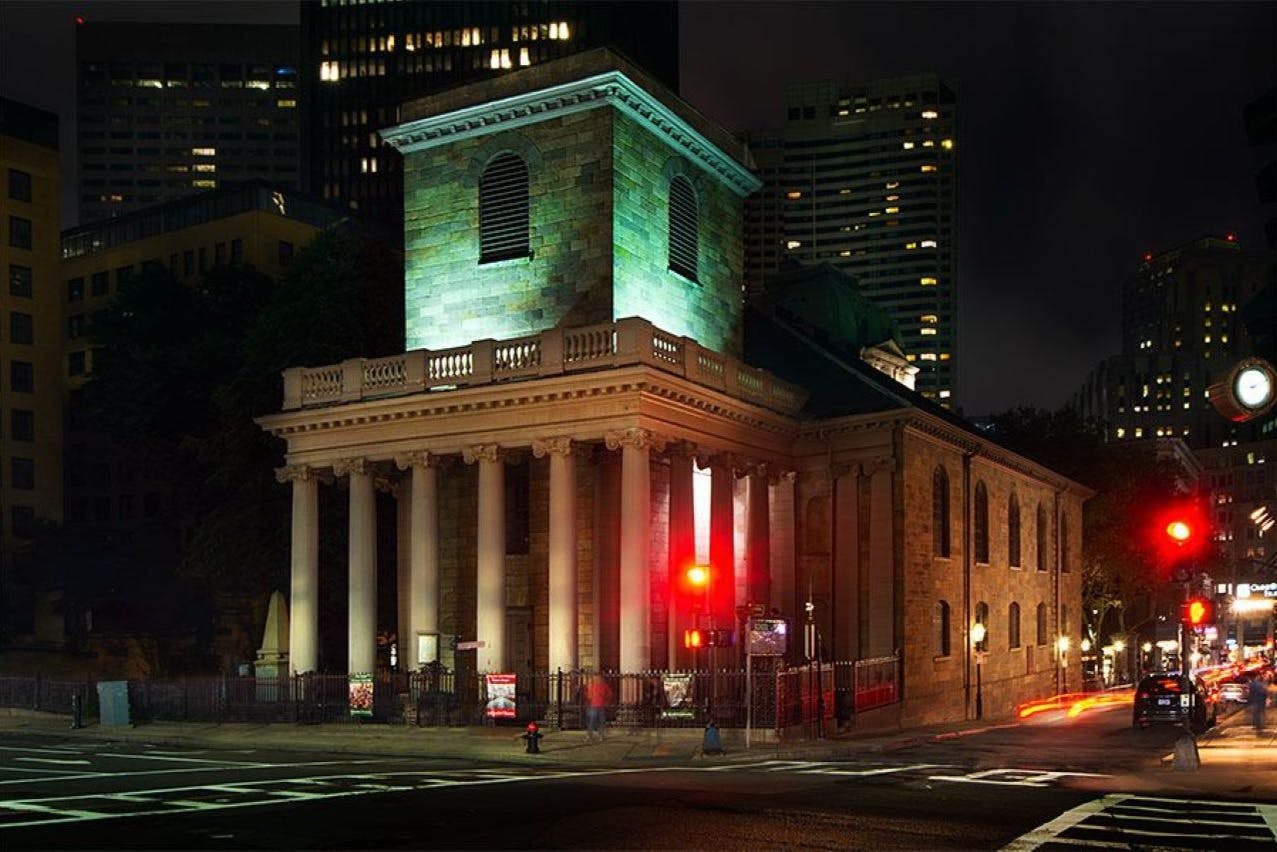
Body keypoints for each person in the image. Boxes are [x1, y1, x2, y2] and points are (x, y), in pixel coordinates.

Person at [584, 674, 612, 741]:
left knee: (599, 722)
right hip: (594, 706)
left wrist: (606, 701)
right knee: (593, 722)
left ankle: (598, 735)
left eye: (598, 678)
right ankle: (591, 735)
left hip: (599, 706)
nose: (597, 680)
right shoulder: (593, 686)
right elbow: (589, 696)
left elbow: (609, 694)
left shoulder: (603, 686)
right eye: (596, 678)